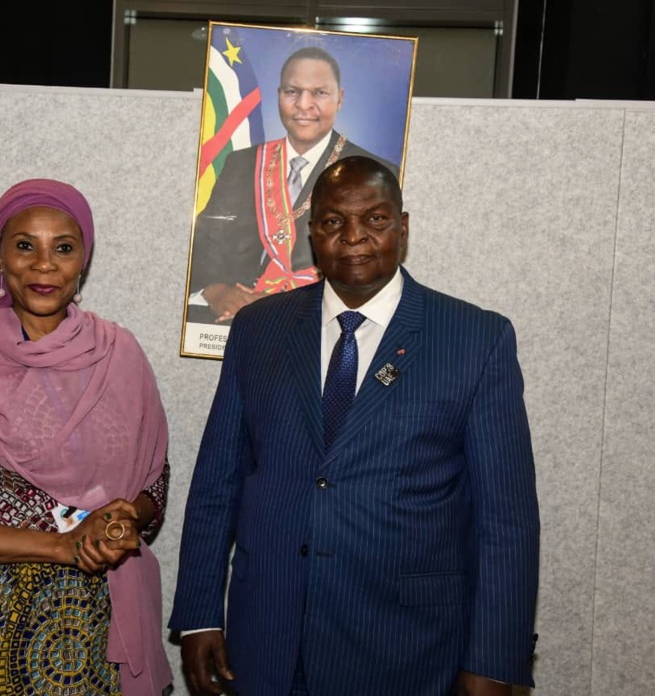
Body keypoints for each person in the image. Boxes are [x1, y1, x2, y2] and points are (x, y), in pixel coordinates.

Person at [170, 157, 540, 695]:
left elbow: (506, 522)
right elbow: (216, 484)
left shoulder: (475, 340)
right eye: (333, 222)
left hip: (407, 651)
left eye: (376, 220)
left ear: (404, 227)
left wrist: (493, 662)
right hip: (268, 641)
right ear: (312, 232)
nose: (354, 238)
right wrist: (201, 613)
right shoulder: (259, 329)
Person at [0, 179, 172, 696]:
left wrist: (123, 518)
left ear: (83, 259)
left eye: (63, 248)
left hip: (99, 621)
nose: (44, 265)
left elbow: (154, 481)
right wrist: (63, 546)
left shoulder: (121, 356)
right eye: (25, 245)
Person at [187, 46, 400, 325]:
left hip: (320, 324)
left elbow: (373, 269)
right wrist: (218, 292)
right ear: (279, 96)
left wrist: (281, 305)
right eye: (292, 91)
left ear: (340, 99)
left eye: (319, 93)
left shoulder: (375, 173)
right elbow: (205, 244)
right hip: (233, 320)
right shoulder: (241, 163)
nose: (303, 104)